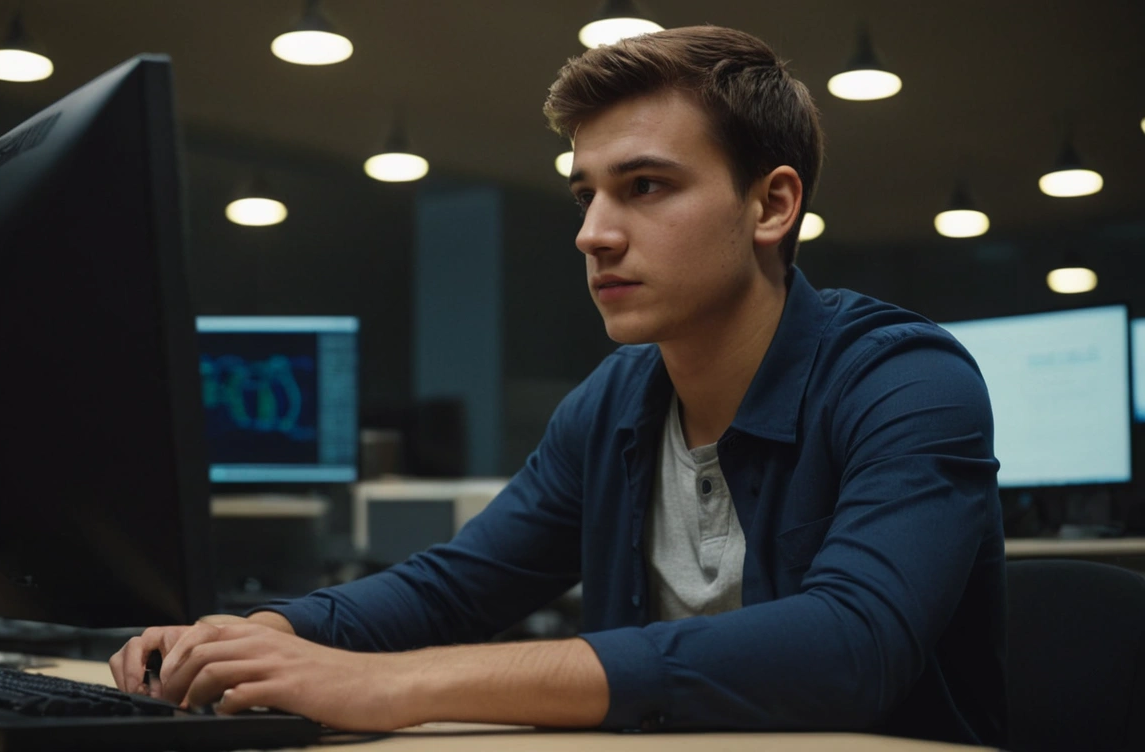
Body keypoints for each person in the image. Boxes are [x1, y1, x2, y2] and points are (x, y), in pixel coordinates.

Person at [111, 25, 1006, 745]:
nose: (593, 234)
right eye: (586, 197)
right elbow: (453, 588)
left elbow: (850, 646)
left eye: (645, 186)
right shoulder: (616, 401)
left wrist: (399, 684)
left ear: (771, 205)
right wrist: (270, 633)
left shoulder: (906, 379)